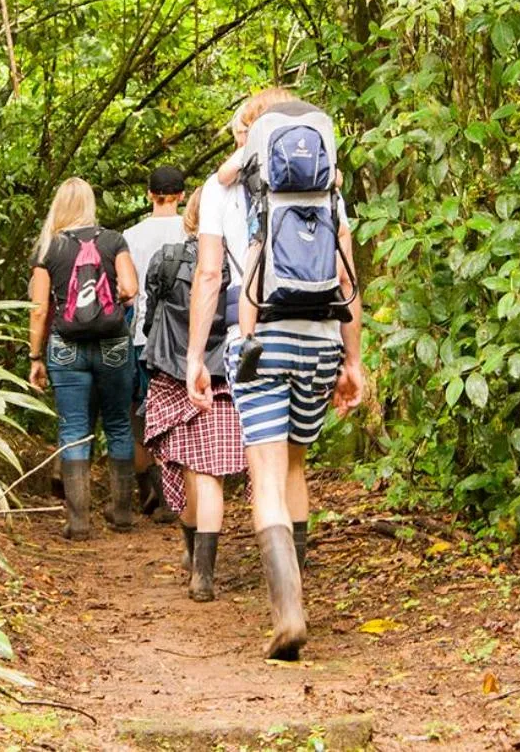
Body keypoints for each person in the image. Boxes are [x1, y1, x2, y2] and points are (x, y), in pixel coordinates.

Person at [187, 88, 367, 661]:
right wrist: (352, 358)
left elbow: (211, 276)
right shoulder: (326, 185)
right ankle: (300, 594)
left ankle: (287, 612)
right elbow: (346, 277)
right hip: (319, 336)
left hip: (259, 337)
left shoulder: (220, 191)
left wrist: (196, 357)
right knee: (294, 465)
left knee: (263, 470)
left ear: (247, 133)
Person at [139, 191, 244, 601]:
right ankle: (204, 571)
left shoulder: (166, 258)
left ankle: (191, 552)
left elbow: (151, 318)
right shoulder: (236, 262)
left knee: (185, 469)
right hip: (222, 373)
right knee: (211, 474)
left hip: (174, 372)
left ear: (190, 216)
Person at [28, 177, 140, 539]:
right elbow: (131, 288)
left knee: (74, 429)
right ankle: (122, 513)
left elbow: (39, 310)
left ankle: (79, 522)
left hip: (66, 346)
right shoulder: (113, 239)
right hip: (113, 343)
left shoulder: (49, 249)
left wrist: (35, 357)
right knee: (119, 424)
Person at [121, 164, 190, 522]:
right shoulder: (191, 230)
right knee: (176, 414)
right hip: (183, 336)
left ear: (150, 194)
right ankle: (174, 495)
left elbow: (125, 291)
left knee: (140, 412)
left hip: (142, 335)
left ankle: (149, 489)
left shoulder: (130, 235)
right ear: (182, 195)